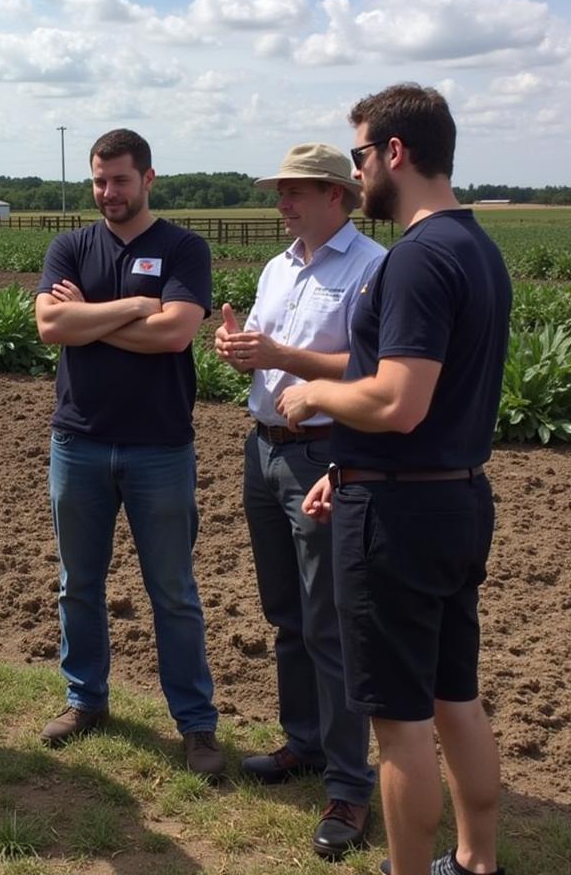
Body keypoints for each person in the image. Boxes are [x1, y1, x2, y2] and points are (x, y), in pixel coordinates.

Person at [278, 85, 511, 875]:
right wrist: (345, 465)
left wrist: (310, 396)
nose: (360, 170)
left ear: (396, 154)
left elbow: (397, 400)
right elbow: (428, 396)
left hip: (398, 519)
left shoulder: (416, 259)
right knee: (456, 697)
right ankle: (477, 860)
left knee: (402, 726)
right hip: (455, 496)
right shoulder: (478, 248)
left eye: (361, 155)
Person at [35, 128, 225, 779]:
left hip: (159, 448)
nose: (107, 192)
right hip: (78, 442)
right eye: (98, 180)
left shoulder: (182, 247)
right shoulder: (69, 246)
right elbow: (49, 326)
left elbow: (175, 335)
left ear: (148, 178)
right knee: (77, 586)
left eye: (119, 179)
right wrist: (135, 308)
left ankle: (196, 725)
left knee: (172, 591)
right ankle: (85, 701)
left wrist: (93, 318)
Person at [214, 143, 384, 858]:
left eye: (297, 191)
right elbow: (264, 345)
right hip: (265, 447)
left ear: (337, 196)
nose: (283, 203)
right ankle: (306, 744)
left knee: (332, 624)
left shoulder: (373, 268)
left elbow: (371, 367)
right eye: (280, 191)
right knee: (287, 613)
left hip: (325, 453)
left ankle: (349, 787)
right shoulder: (279, 265)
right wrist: (238, 348)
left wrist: (280, 357)